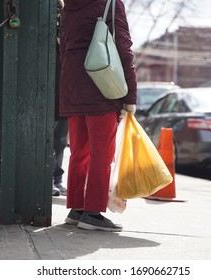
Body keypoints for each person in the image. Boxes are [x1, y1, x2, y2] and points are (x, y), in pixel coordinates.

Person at [59, 0, 136, 232]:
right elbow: (123, 48)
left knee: (79, 152)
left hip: (72, 85)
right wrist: (130, 95)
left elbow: (63, 47)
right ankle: (93, 212)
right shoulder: (110, 3)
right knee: (102, 153)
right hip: (101, 85)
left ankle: (77, 209)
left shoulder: (69, 6)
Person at [52, 0, 68, 197]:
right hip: (51, 86)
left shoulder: (69, 14)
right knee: (50, 134)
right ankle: (49, 178)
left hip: (65, 88)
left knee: (61, 138)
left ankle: (57, 177)